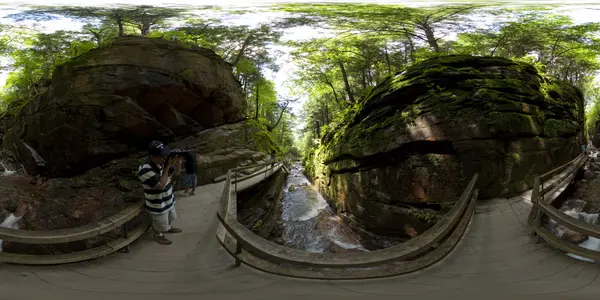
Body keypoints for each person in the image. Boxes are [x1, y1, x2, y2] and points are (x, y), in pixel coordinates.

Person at [138, 141, 182, 245]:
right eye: (162, 156)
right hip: (157, 203)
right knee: (160, 222)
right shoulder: (145, 169)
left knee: (170, 217)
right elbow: (160, 186)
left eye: (165, 155)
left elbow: (176, 172)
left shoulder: (162, 163)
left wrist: (178, 162)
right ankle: (158, 234)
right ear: (152, 156)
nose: (165, 158)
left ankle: (168, 228)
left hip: (168, 199)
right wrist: (167, 167)